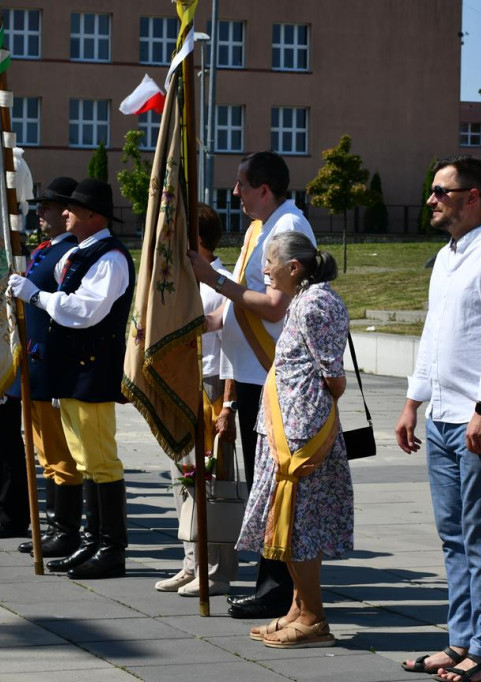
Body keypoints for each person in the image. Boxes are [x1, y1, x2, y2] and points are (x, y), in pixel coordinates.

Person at [395, 156, 481, 682]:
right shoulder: (449, 254)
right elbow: (435, 333)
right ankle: (460, 641)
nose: (431, 199)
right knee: (453, 535)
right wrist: (413, 400)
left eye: (441, 191)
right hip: (442, 415)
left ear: (472, 196)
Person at [187, 150, 315, 620]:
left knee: (275, 484)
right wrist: (185, 327)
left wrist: (214, 280)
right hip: (249, 375)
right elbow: (235, 311)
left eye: (242, 184)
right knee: (262, 485)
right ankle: (272, 585)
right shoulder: (261, 227)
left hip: (273, 377)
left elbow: (275, 305)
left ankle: (277, 590)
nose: (235, 192)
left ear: (264, 188)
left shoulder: (289, 228)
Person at [7, 177, 135, 580]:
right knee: (84, 458)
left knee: (101, 459)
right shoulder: (83, 251)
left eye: (73, 209)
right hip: (75, 371)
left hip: (93, 371)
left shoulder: (110, 257)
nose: (65, 213)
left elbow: (85, 310)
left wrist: (37, 296)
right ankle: (92, 541)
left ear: (93, 215)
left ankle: (111, 548)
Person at [233, 231, 352, 648]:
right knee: (284, 521)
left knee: (300, 525)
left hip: (302, 432)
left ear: (294, 268)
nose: (264, 269)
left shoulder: (317, 302)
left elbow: (332, 376)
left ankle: (314, 617)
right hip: (287, 426)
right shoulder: (305, 301)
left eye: (270, 261)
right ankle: (298, 609)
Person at [156, 203, 239, 597]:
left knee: (213, 479)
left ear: (198, 240)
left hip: (209, 383)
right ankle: (191, 562)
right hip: (182, 383)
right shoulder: (181, 281)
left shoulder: (219, 281)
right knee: (183, 478)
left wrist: (227, 404)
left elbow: (230, 349)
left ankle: (218, 568)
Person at [14, 176, 82, 558]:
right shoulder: (46, 249)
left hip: (52, 364)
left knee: (61, 455)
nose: (41, 212)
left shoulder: (68, 254)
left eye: (49, 207)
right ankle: (57, 526)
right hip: (35, 363)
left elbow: (67, 308)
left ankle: (65, 530)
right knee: (44, 452)